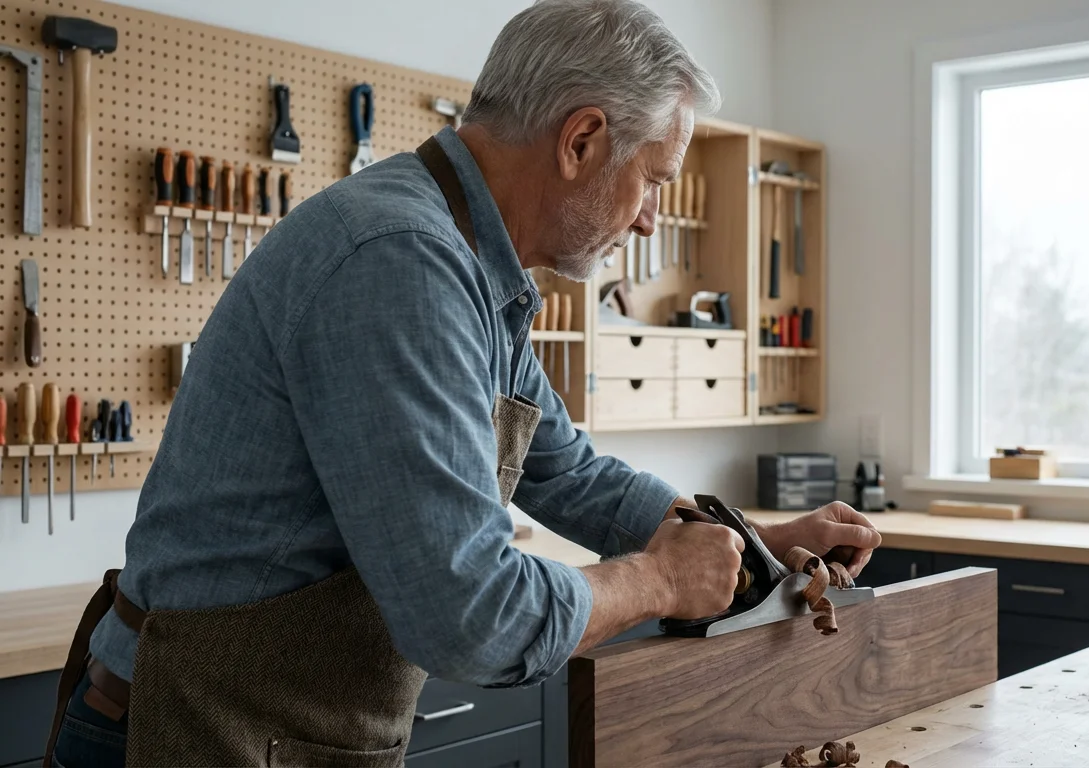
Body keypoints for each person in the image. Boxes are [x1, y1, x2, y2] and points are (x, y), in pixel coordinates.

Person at [45, 1, 880, 765]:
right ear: (580, 139)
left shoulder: (477, 272)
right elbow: (470, 615)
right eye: (654, 179)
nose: (653, 216)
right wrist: (657, 581)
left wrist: (746, 544)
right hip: (190, 733)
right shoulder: (399, 261)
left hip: (282, 733)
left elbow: (569, 471)